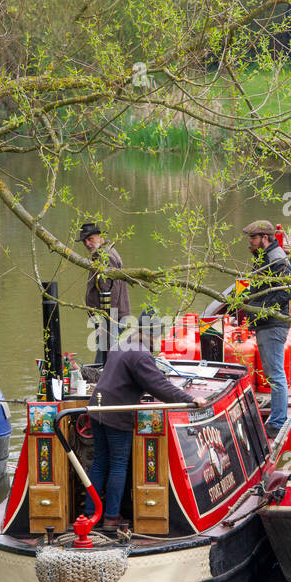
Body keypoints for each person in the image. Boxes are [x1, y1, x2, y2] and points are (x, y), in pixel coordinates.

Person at [86, 346, 206, 529]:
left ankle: (90, 514)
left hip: (96, 407)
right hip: (117, 413)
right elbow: (159, 386)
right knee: (118, 464)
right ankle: (111, 517)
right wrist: (189, 399)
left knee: (100, 462)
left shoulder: (121, 345)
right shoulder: (141, 354)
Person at [242, 219, 291, 439]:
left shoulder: (276, 259)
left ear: (264, 238)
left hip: (272, 324)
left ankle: (278, 422)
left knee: (275, 375)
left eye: (253, 238)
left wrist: (260, 310)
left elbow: (285, 292)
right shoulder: (265, 257)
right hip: (266, 323)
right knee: (274, 374)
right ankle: (277, 418)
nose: (250, 242)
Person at [79, 222, 131, 364]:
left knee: (107, 360)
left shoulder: (106, 257)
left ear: (100, 236)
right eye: (84, 241)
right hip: (110, 319)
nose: (87, 243)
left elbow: (110, 293)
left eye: (90, 239)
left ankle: (102, 384)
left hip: (112, 320)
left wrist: (104, 323)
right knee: (106, 358)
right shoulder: (101, 254)